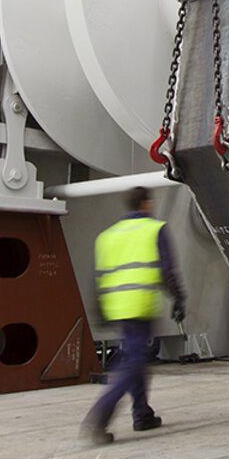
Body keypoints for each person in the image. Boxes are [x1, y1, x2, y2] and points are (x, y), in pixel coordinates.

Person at [81, 187, 186, 444]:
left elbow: (98, 277)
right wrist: (179, 298)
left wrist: (99, 310)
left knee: (134, 359)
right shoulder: (154, 229)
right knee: (133, 364)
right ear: (146, 203)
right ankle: (99, 417)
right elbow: (167, 271)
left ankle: (142, 413)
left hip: (117, 309)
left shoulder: (108, 236)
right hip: (140, 306)